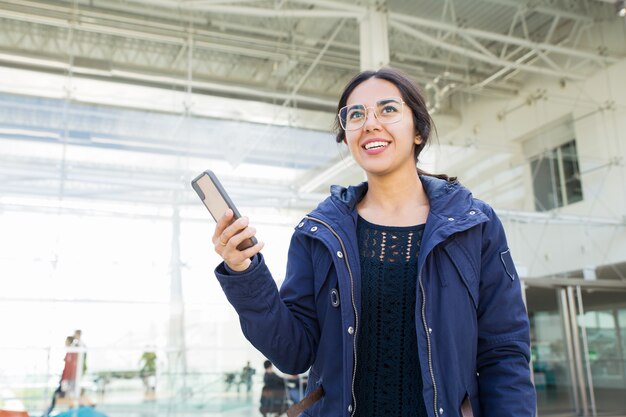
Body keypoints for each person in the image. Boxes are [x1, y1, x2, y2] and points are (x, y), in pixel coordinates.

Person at [211, 67, 536, 416]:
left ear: (418, 131)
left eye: (388, 110)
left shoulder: (475, 226)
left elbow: (503, 352)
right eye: (356, 114)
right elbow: (293, 353)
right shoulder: (318, 233)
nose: (370, 123)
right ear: (347, 136)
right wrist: (244, 272)